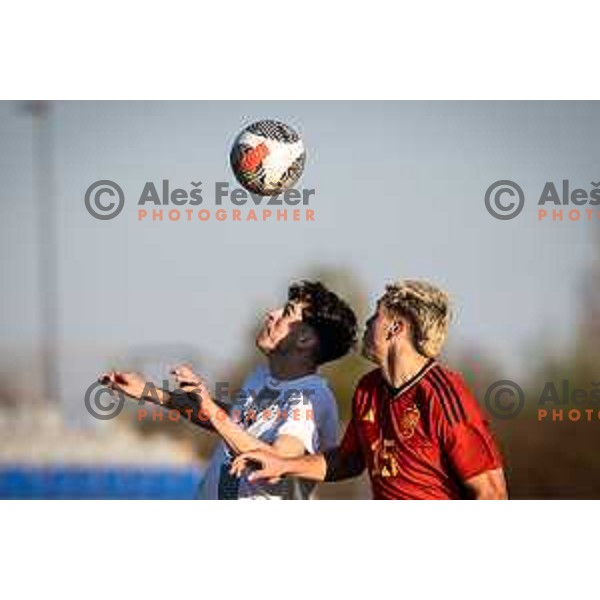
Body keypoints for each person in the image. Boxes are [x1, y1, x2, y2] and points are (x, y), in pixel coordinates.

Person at [232, 280, 508, 500]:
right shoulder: (368, 389)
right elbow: (348, 461)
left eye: (377, 314)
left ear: (395, 329)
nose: (368, 322)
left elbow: (492, 493)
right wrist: (283, 464)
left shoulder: (443, 394)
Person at [99, 281, 357, 500]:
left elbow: (278, 459)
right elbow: (232, 423)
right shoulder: (262, 376)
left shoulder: (310, 399)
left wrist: (210, 410)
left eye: (287, 313)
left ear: (305, 340)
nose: (272, 314)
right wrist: (150, 392)